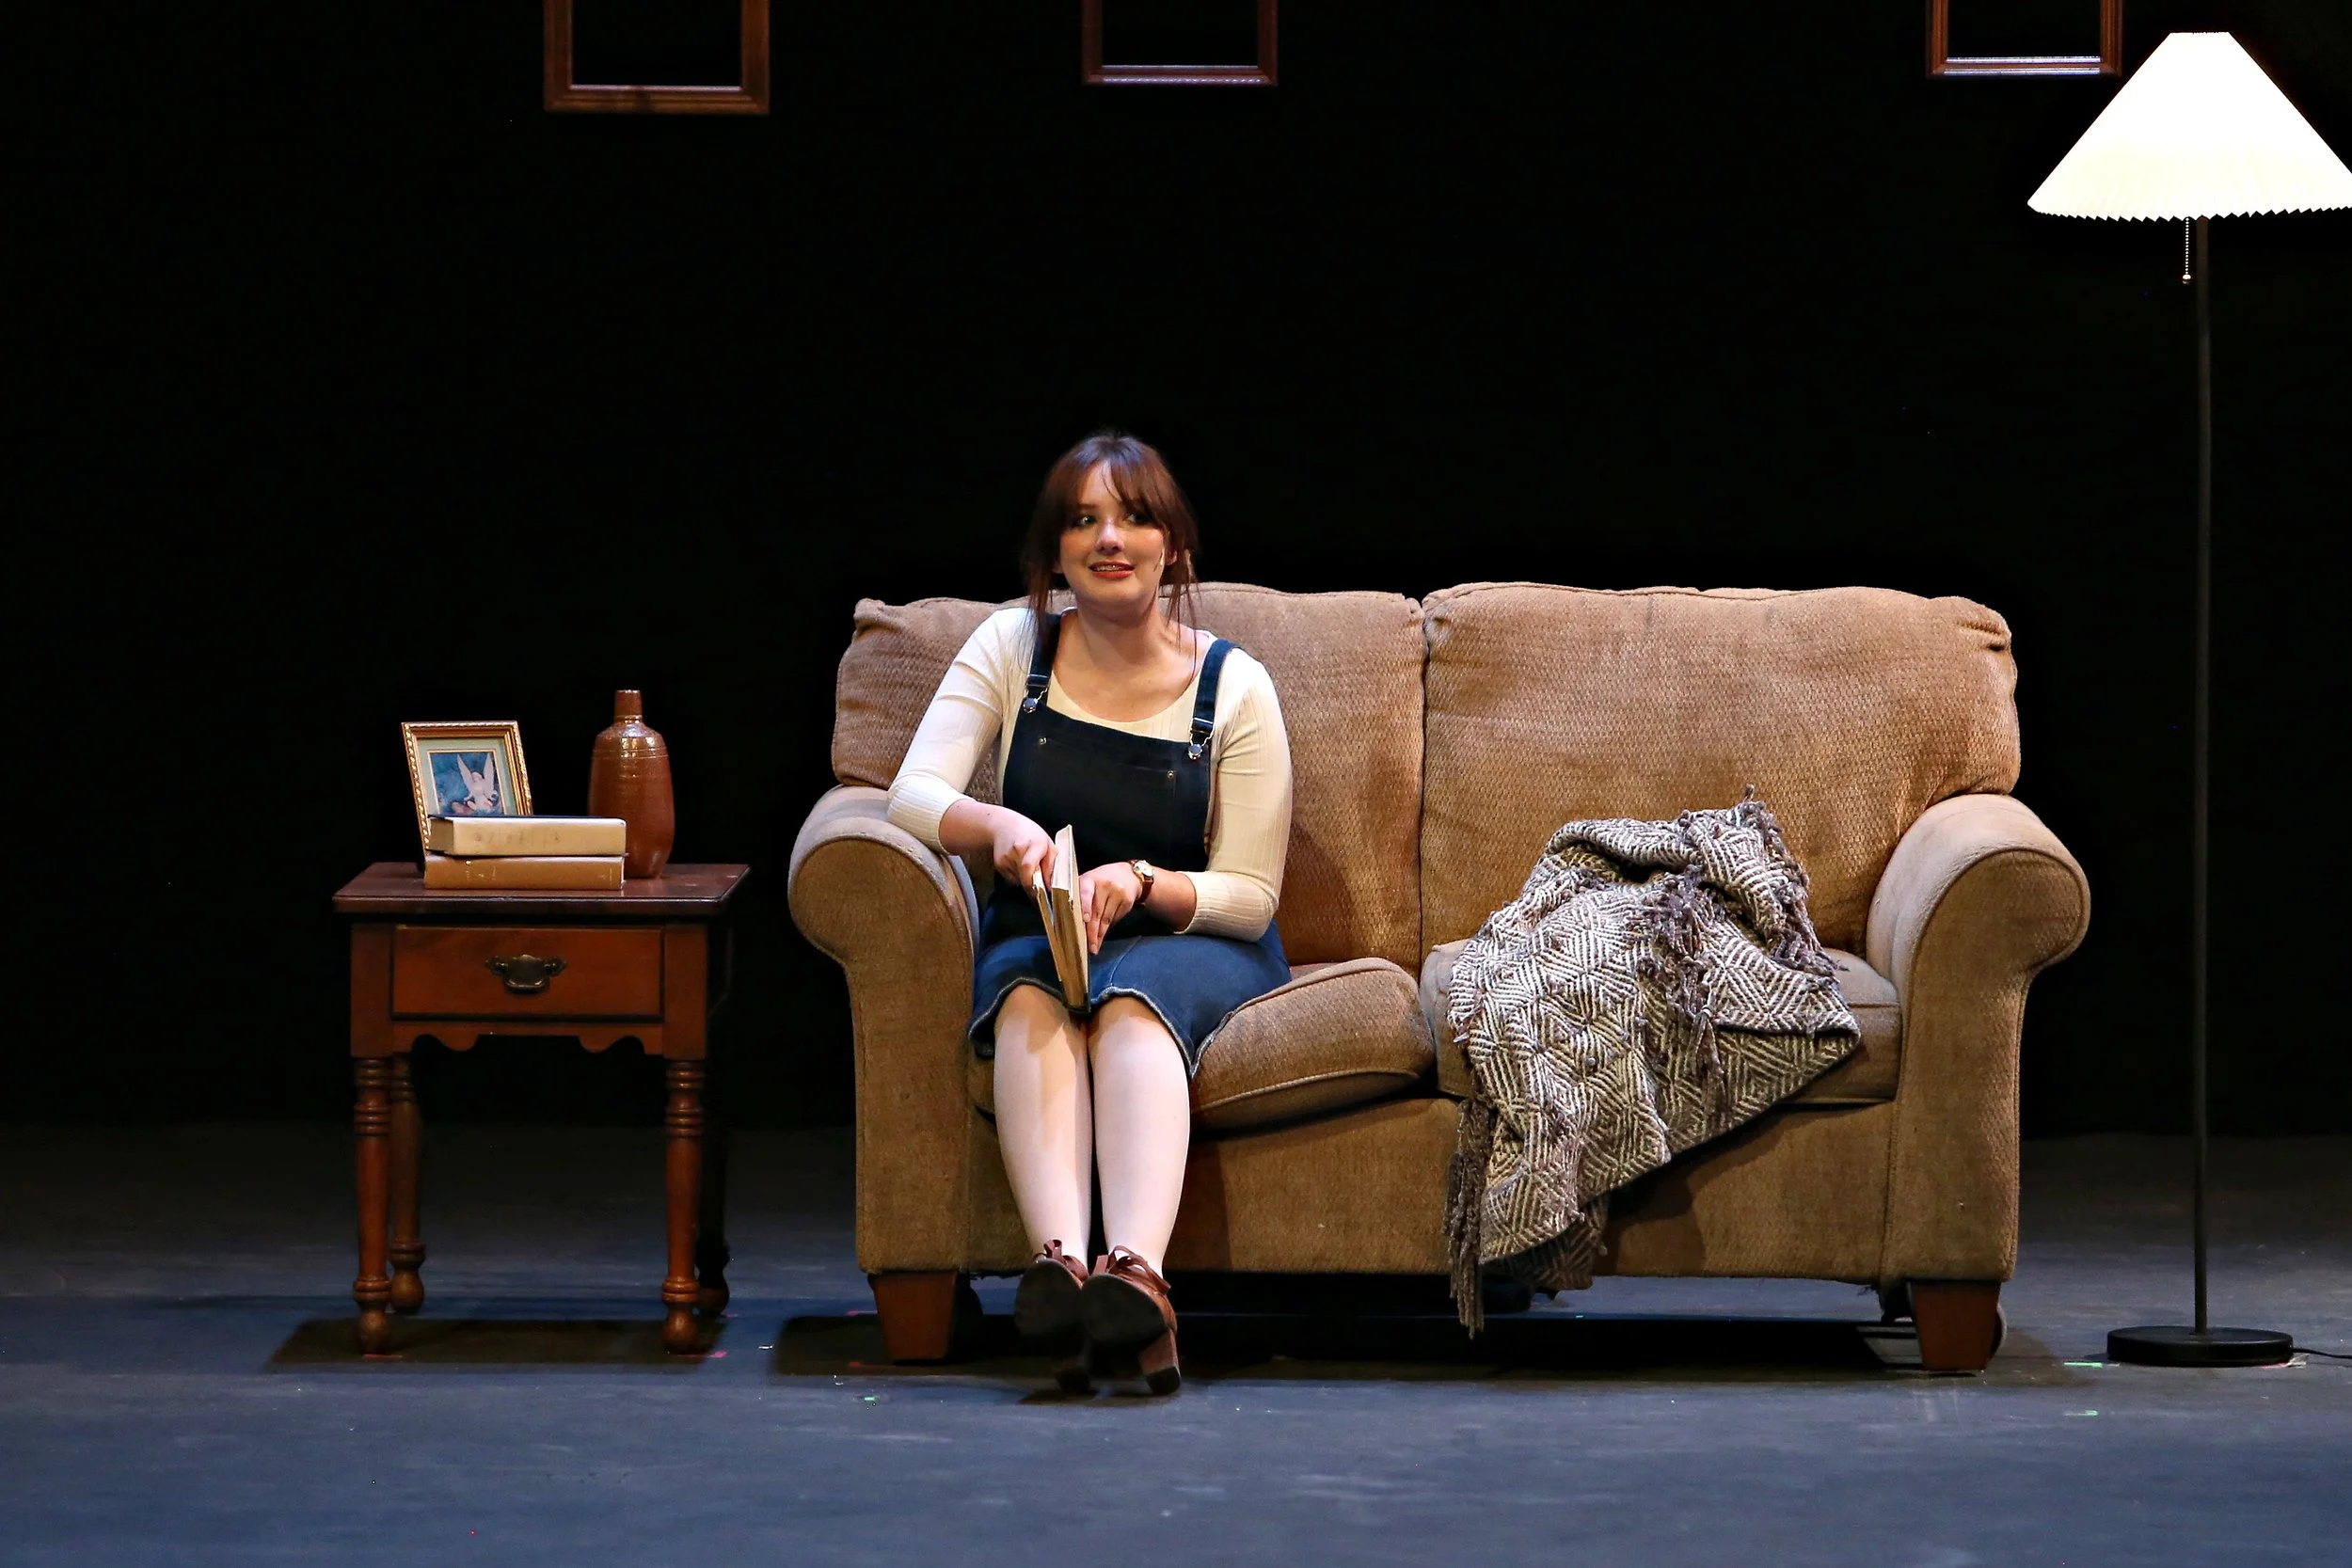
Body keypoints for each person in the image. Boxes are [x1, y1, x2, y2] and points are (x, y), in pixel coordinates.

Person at [886, 431, 1294, 1395]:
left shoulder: (1232, 684)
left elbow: (1250, 894)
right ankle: (1062, 1273)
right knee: (1029, 994)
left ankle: (1137, 1277)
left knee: (1129, 1002)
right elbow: (911, 794)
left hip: (1188, 937)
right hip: (1045, 929)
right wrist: (996, 825)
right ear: (1053, 553)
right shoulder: (1012, 646)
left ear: (1173, 547)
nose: (1109, 538)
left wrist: (1143, 880)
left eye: (1134, 518)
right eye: (1083, 521)